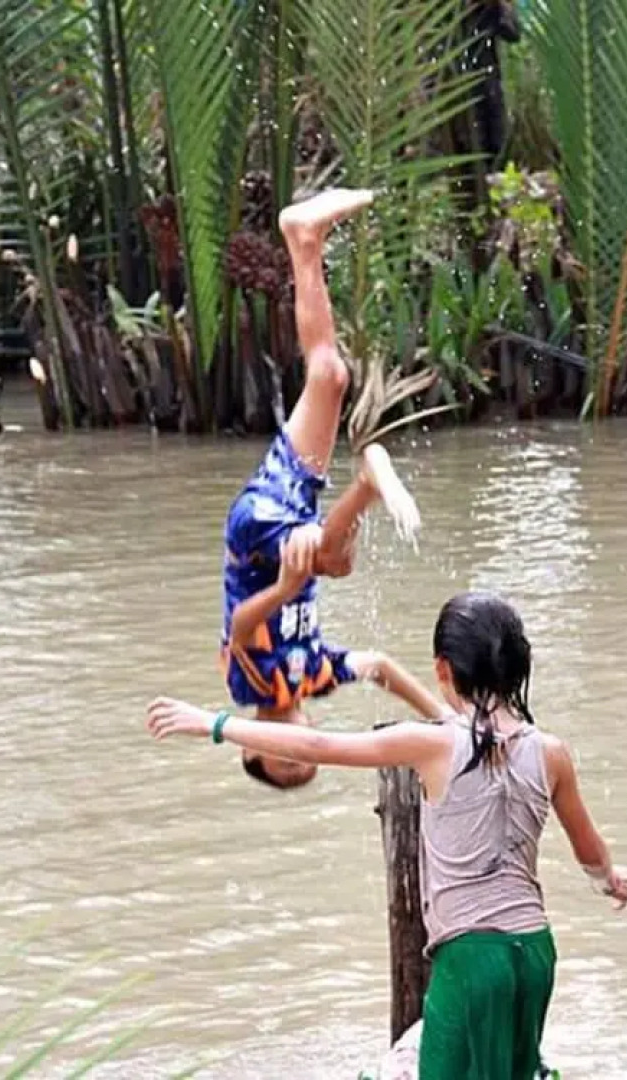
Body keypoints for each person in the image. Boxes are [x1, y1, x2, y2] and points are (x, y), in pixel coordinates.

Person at [148, 591, 627, 1080]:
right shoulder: (551, 752)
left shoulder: (436, 743)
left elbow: (320, 745)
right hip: (534, 951)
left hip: (470, 957)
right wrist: (608, 878)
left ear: (443, 669)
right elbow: (587, 846)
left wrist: (217, 725)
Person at [221, 188, 446, 790]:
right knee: (330, 374)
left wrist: (286, 588)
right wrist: (443, 720)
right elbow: (379, 667)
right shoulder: (314, 676)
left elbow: (240, 628)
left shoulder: (251, 686)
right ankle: (304, 240)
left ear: (253, 749)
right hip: (295, 513)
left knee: (333, 561)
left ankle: (369, 484)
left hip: (259, 534)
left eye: (286, 759)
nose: (303, 752)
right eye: (309, 763)